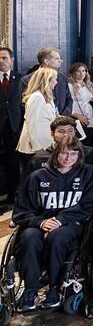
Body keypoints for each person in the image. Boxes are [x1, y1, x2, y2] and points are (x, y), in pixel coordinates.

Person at [12, 137, 93, 311]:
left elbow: (88, 206)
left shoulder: (87, 172)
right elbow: (20, 212)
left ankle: (54, 287)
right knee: (29, 237)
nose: (69, 158)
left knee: (57, 236)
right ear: (55, 154)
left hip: (72, 223)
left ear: (79, 155)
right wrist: (40, 222)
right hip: (41, 223)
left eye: (73, 153)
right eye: (64, 153)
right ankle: (30, 290)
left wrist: (60, 220)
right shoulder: (37, 177)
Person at [17, 67, 61, 163]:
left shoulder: (47, 97)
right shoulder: (37, 98)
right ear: (47, 80)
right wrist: (38, 149)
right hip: (34, 148)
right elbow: (33, 125)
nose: (56, 82)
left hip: (45, 144)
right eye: (55, 79)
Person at [0, 47, 23, 209]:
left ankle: (11, 196)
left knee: (13, 162)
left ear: (12, 59)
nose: (1, 61)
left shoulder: (19, 79)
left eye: (4, 58)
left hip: (14, 127)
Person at [21, 47, 72, 115]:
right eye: (57, 59)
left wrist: (62, 117)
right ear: (46, 61)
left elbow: (69, 99)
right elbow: (24, 104)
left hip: (62, 122)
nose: (61, 61)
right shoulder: (27, 80)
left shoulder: (61, 78)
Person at [68, 62, 93, 147]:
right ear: (73, 73)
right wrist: (78, 116)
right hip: (76, 117)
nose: (81, 73)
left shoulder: (87, 85)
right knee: (78, 144)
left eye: (83, 71)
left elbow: (87, 101)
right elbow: (68, 104)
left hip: (89, 116)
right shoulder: (69, 86)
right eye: (78, 71)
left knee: (88, 143)